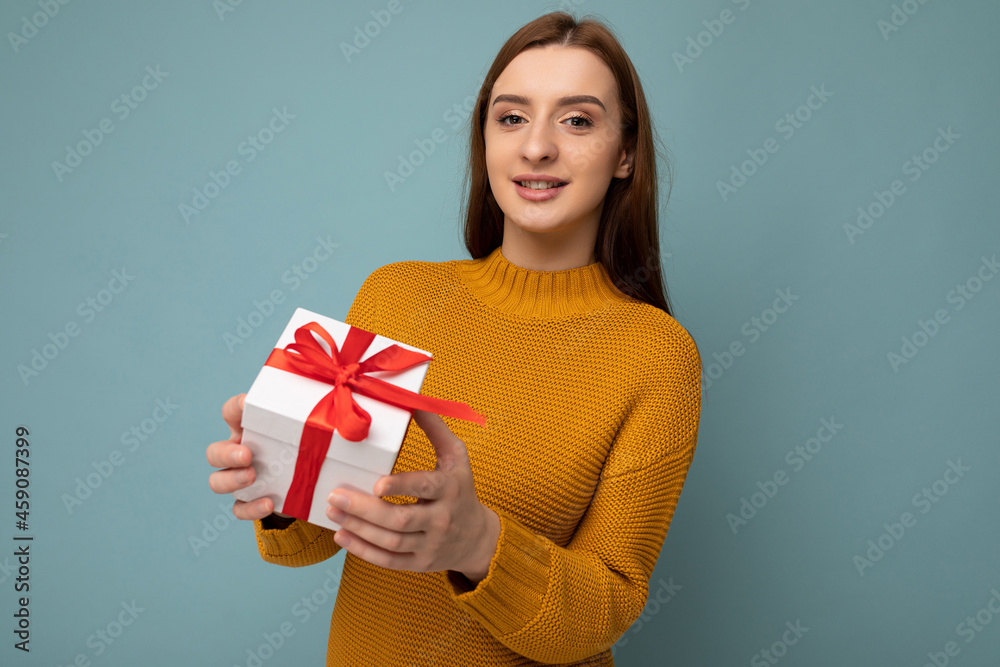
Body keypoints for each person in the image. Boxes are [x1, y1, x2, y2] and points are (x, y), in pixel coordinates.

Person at [206, 10, 703, 666]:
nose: (536, 147)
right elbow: (307, 543)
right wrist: (277, 476)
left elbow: (604, 610)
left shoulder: (656, 354)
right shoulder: (395, 295)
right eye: (512, 117)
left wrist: (480, 542)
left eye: (576, 120)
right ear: (486, 141)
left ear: (626, 154)